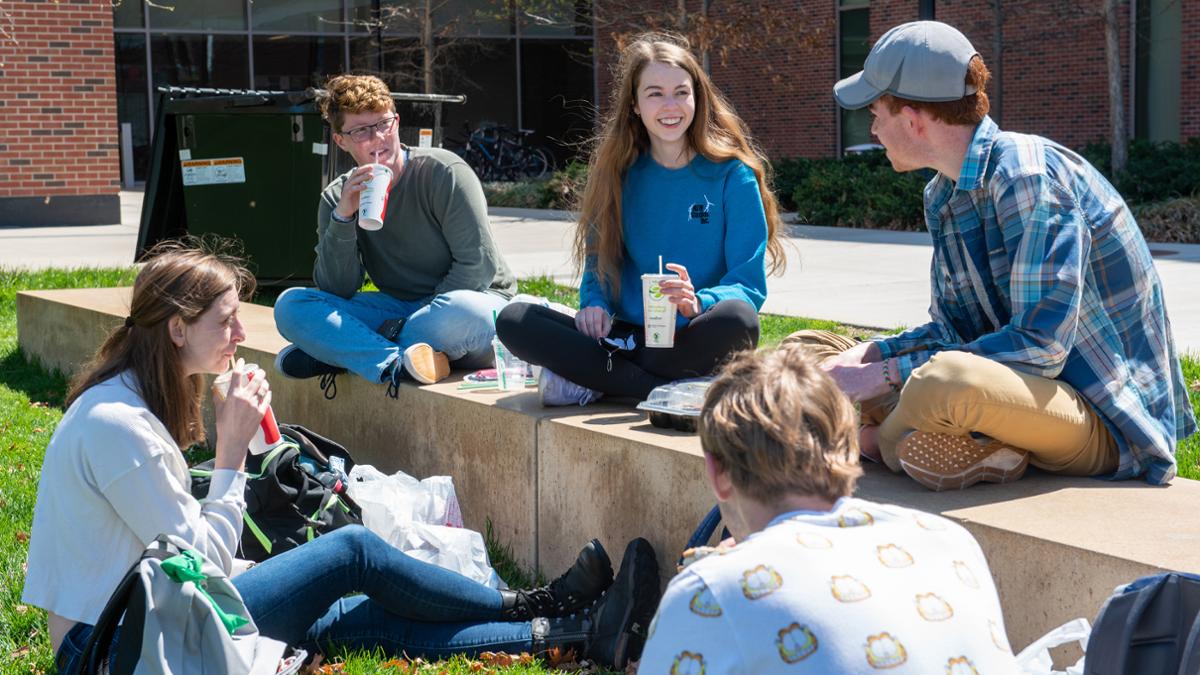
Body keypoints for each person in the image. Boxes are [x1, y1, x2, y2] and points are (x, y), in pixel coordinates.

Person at [21, 240, 660, 672]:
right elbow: (203, 564)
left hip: (150, 624)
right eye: (225, 320)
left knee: (351, 613)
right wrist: (231, 452)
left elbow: (180, 558)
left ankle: (570, 634)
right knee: (351, 552)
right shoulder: (117, 427)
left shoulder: (126, 401)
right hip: (116, 653)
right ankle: (536, 604)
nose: (242, 335)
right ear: (177, 329)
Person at [788, 20, 1196, 490]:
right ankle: (977, 448)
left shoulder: (1027, 178)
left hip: (1099, 416)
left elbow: (1041, 347)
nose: (872, 128)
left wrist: (884, 375)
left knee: (941, 382)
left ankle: (877, 442)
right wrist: (876, 352)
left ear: (913, 117)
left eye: (875, 111)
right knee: (809, 352)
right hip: (1017, 393)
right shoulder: (943, 194)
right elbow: (952, 330)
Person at [638, 345, 1021, 673]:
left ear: (717, 471)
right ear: (851, 448)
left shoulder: (710, 592)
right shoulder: (950, 542)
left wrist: (720, 573)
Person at [495, 33, 786, 406]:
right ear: (634, 104)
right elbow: (600, 262)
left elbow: (747, 285)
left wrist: (698, 302)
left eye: (681, 92)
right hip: (624, 337)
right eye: (655, 93)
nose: (671, 105)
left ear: (697, 97)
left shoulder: (733, 175)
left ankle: (599, 379)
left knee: (739, 321)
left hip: (688, 336)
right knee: (515, 319)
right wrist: (595, 305)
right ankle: (660, 389)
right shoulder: (617, 174)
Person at [273, 74, 516, 397]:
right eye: (361, 130)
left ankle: (346, 353)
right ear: (340, 141)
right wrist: (344, 216)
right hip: (399, 308)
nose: (378, 138)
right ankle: (395, 362)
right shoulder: (337, 197)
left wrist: (416, 320)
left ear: (397, 121)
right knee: (291, 305)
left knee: (459, 312)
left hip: (476, 303)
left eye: (384, 124)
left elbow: (478, 268)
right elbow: (337, 288)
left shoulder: (443, 172)